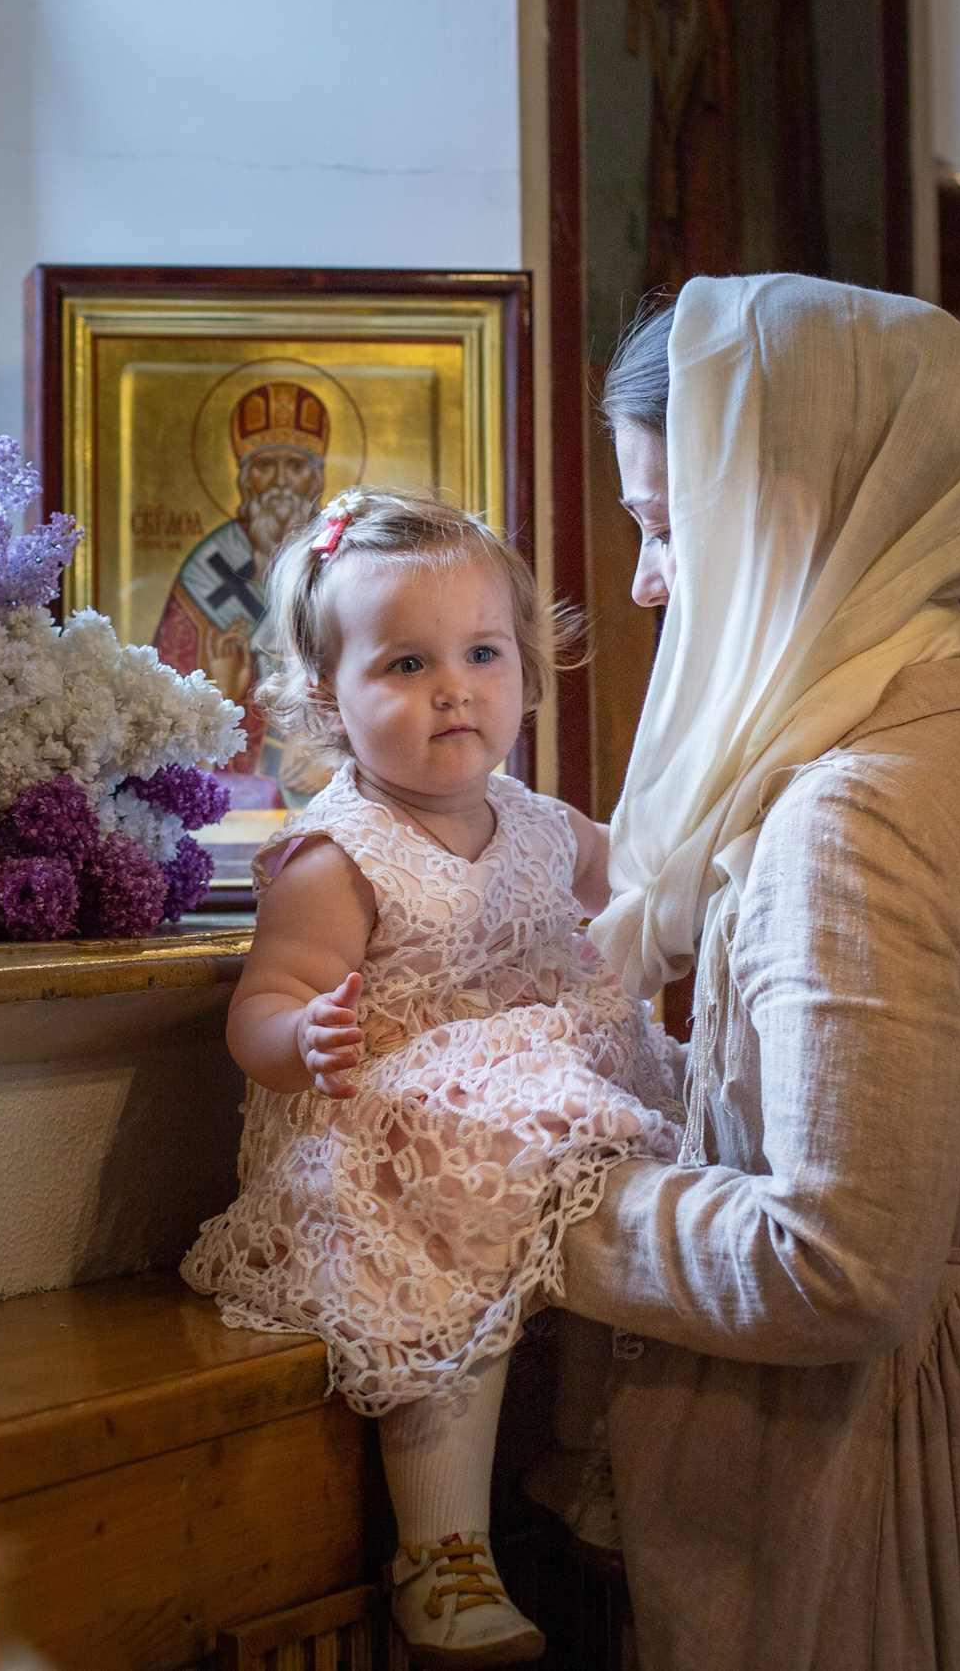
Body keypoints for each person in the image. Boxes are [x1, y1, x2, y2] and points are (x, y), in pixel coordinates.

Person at [566, 275, 960, 1669]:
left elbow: (840, 1260)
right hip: (953, 1429)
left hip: (858, 1478)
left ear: (798, 509)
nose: (644, 581)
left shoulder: (850, 812)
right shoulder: (947, 729)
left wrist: (547, 1208)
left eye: (667, 526)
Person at [180, 488, 683, 1666]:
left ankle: (589, 1453)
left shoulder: (543, 823)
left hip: (534, 1105)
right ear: (325, 699)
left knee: (669, 1161)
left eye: (480, 653)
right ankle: (439, 1548)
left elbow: (650, 892)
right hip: (391, 1130)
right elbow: (259, 1004)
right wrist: (300, 1036)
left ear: (525, 668)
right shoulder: (335, 852)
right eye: (406, 662)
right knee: (443, 1257)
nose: (453, 686)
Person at [153, 380, 334, 807]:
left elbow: (387, 680)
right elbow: (161, 716)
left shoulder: (347, 561)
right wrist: (220, 689)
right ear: (244, 479)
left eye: (296, 465)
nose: (281, 483)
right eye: (265, 465)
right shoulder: (207, 573)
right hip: (233, 805)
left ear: (317, 478)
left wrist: (337, 759)